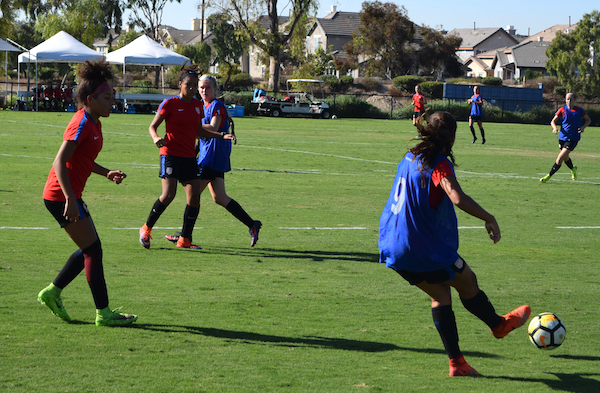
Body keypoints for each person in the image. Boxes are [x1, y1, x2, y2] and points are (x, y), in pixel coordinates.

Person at [378, 112, 530, 377]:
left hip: (393, 245)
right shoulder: (438, 164)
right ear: (452, 137)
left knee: (441, 295)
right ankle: (498, 325)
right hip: (422, 248)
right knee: (468, 281)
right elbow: (456, 197)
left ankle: (457, 364)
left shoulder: (409, 157)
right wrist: (489, 217)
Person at [38, 59, 138, 327]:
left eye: (112, 96)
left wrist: (105, 172)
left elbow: (81, 159)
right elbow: (60, 161)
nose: (112, 102)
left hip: (68, 194)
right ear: (91, 98)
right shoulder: (82, 122)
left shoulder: (94, 122)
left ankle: (53, 292)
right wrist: (70, 199)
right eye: (107, 97)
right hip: (61, 196)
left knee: (89, 249)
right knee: (93, 250)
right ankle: (103, 313)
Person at [139, 65, 233, 250]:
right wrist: (156, 137)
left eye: (194, 85)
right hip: (170, 155)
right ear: (180, 84)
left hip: (189, 157)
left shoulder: (198, 106)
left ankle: (185, 240)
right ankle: (146, 229)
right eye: (188, 85)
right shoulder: (170, 103)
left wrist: (221, 135)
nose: (191, 88)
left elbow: (198, 130)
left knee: (194, 198)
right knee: (168, 195)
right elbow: (152, 126)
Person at [166, 75, 262, 247]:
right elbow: (200, 136)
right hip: (208, 154)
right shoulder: (201, 106)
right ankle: (252, 224)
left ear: (215, 89)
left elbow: (213, 128)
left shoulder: (217, 105)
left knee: (193, 195)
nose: (203, 90)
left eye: (207, 87)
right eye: (201, 87)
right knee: (219, 197)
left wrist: (189, 127)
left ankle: (184, 236)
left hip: (213, 155)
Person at [540, 92, 591, 183]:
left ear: (575, 100)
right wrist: (555, 128)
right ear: (565, 100)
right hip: (562, 137)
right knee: (565, 157)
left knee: (560, 158)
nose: (569, 101)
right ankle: (573, 168)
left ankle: (548, 176)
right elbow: (553, 121)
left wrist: (583, 127)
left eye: (571, 99)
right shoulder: (562, 110)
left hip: (573, 138)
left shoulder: (580, 111)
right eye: (568, 99)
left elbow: (588, 120)